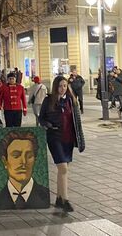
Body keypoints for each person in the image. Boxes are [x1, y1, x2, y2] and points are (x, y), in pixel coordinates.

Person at [39, 75, 85, 212]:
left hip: (68, 138)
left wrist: (80, 140)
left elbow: (77, 122)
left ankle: (59, 198)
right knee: (63, 168)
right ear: (55, 86)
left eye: (65, 86)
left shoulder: (71, 100)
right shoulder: (48, 100)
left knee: (63, 170)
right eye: (60, 86)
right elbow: (41, 118)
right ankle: (65, 200)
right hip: (55, 138)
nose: (62, 89)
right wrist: (48, 124)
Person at [0, 131, 50, 209]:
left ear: (35, 160)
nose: (23, 162)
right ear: (5, 161)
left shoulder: (45, 195)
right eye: (16, 155)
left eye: (29, 156)